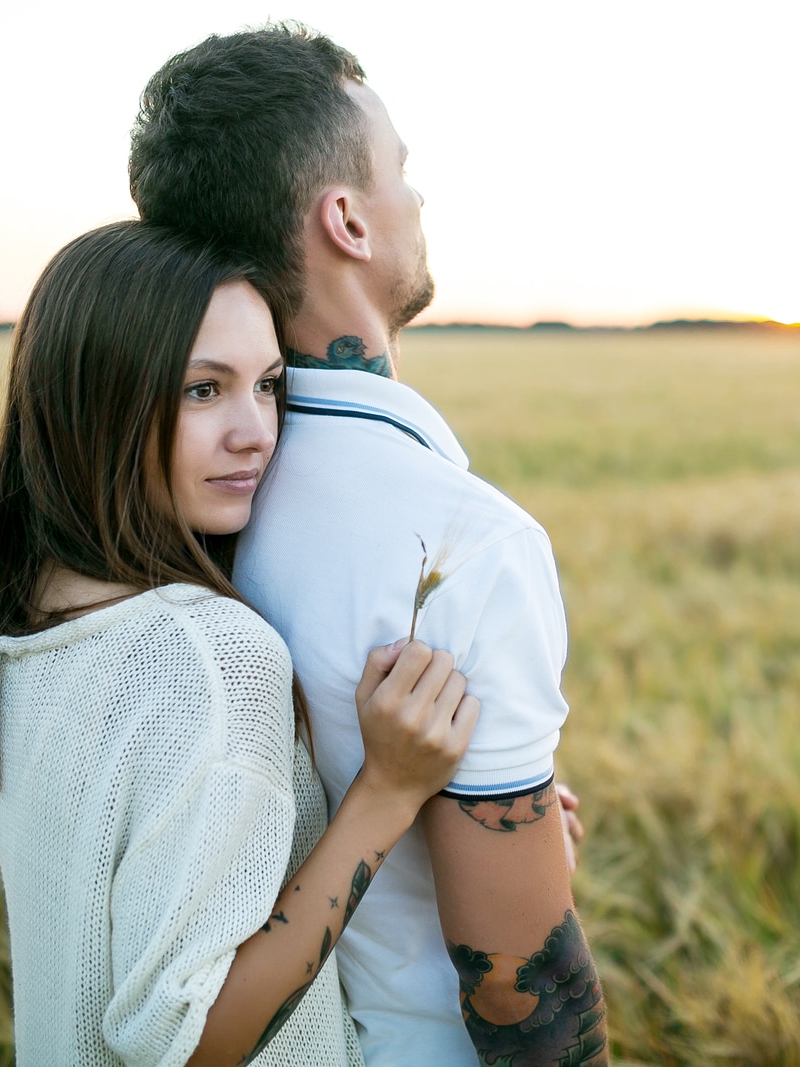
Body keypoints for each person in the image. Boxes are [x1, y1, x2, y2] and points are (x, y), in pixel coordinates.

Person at [130, 24, 609, 1066]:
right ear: (345, 218)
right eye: (401, 172)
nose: (418, 201)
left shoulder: (173, 489)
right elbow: (518, 983)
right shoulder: (466, 543)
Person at [0, 220, 481, 1066]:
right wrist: (388, 795)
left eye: (268, 385)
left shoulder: (14, 623)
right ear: (96, 400)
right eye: (203, 390)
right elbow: (188, 1044)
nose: (256, 430)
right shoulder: (206, 653)